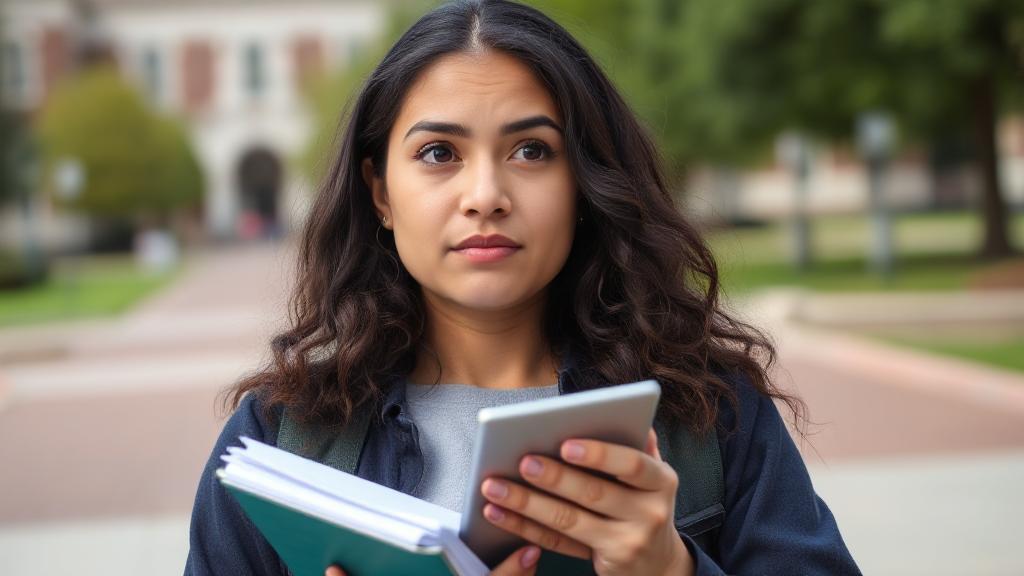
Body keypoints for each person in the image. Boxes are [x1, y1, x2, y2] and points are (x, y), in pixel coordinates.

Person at [184, 1, 860, 575]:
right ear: (380, 193)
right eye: (438, 154)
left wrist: (672, 568)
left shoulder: (710, 415)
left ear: (584, 183)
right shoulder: (281, 441)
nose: (486, 196)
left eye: (531, 150)